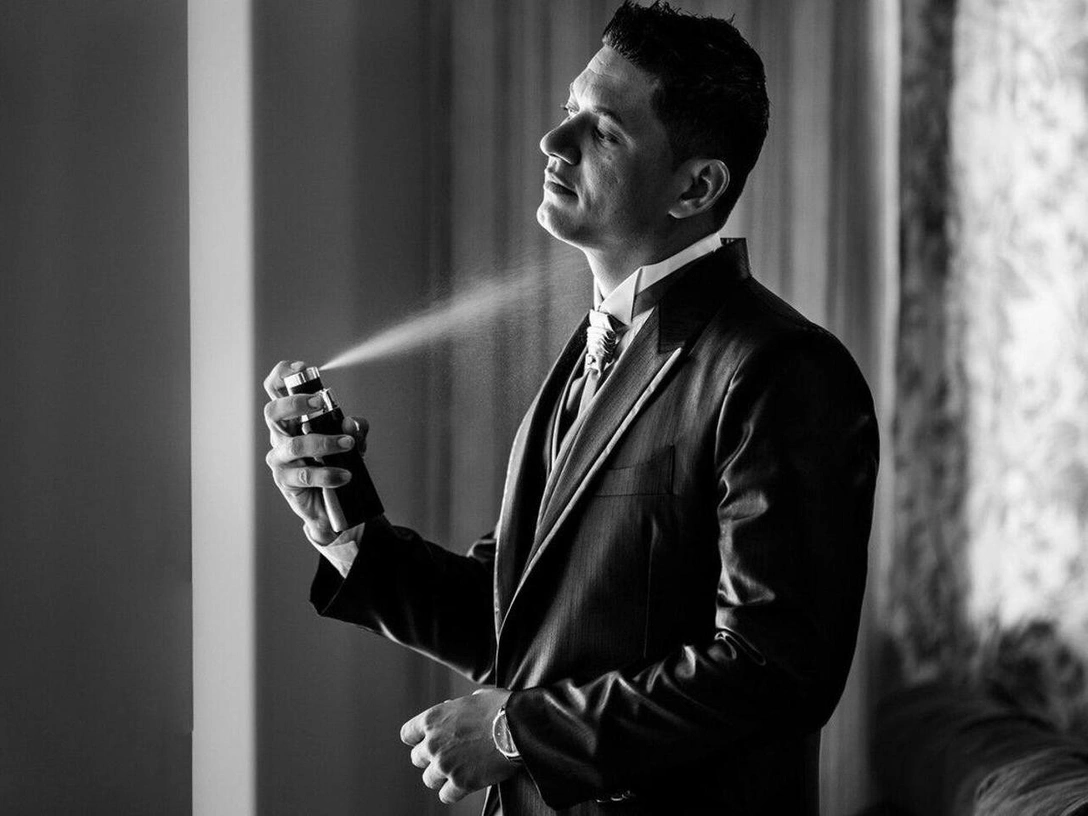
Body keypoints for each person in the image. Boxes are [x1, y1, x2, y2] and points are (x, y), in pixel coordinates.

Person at [263, 2, 878, 814]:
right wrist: (345, 529)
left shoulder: (781, 370)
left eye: (604, 131)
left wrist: (516, 732)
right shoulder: (588, 355)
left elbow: (775, 671)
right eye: (567, 110)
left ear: (696, 186)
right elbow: (516, 625)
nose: (554, 142)